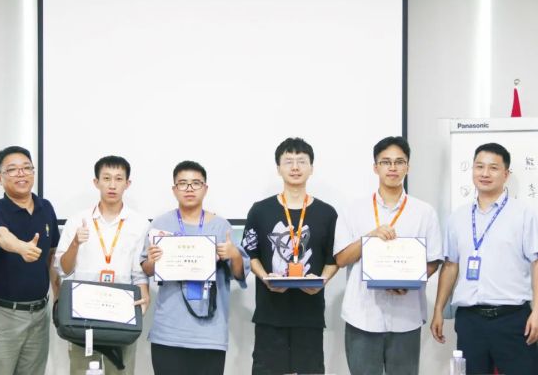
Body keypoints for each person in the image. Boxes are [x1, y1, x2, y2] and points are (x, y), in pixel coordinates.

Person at [334, 136, 443, 375]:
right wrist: (369, 238)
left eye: (399, 162)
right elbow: (341, 259)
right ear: (376, 167)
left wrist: (410, 281)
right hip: (362, 316)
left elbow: (433, 260)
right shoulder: (353, 209)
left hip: (406, 316)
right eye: (385, 162)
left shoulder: (424, 212)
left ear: (408, 167)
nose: (392, 167)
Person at [431, 143, 538, 374]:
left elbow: (536, 263)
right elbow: (450, 265)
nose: (485, 173)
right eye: (479, 166)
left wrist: (537, 311)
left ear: (506, 174)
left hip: (512, 319)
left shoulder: (524, 215)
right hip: (470, 321)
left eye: (493, 168)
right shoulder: (458, 217)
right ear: (472, 170)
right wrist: (438, 309)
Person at [141, 160, 250, 375]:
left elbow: (239, 273)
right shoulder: (160, 224)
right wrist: (152, 261)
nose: (189, 189)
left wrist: (234, 254)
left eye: (196, 183)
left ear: (205, 188)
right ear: (174, 189)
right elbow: (146, 268)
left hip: (209, 335)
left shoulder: (221, 226)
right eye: (182, 183)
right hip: (168, 332)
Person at [241, 137, 338, 375]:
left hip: (309, 313)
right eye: (288, 161)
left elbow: (334, 258)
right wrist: (265, 278)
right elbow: (250, 253)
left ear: (311, 168)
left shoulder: (327, 213)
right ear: (278, 168)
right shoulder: (260, 210)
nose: (295, 167)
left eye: (301, 161)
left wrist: (322, 280)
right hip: (270, 313)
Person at [54, 156, 150, 375]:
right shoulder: (77, 220)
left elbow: (139, 274)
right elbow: (63, 269)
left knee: (121, 371)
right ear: (96, 182)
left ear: (128, 183)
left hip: (121, 314)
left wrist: (145, 295)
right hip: (83, 314)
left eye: (118, 179)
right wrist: (75, 243)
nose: (112, 185)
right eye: (106, 178)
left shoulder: (140, 224)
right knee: (82, 371)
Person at [0, 146, 60, 375]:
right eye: (12, 170)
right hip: (2, 316)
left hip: (39, 314)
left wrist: (58, 295)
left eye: (26, 168)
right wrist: (21, 247)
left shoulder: (46, 208)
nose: (21, 174)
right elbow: (0, 235)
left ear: (33, 172)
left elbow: (52, 254)